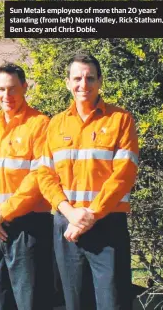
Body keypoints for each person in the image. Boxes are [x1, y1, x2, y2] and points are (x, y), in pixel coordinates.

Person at [38, 54, 139, 310]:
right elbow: (45, 175)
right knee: (74, 302)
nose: (84, 84)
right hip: (66, 226)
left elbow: (124, 174)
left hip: (107, 225)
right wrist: (70, 213)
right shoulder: (55, 125)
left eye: (90, 78)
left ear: (100, 81)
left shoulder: (120, 120)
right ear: (67, 83)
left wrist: (90, 215)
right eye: (77, 78)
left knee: (113, 301)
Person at [0, 63, 53, 309]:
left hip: (29, 226)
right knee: (0, 298)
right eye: (1, 89)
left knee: (32, 301)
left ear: (25, 88)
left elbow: (39, 176)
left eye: (13, 89)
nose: (7, 96)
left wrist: (2, 212)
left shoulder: (40, 124)